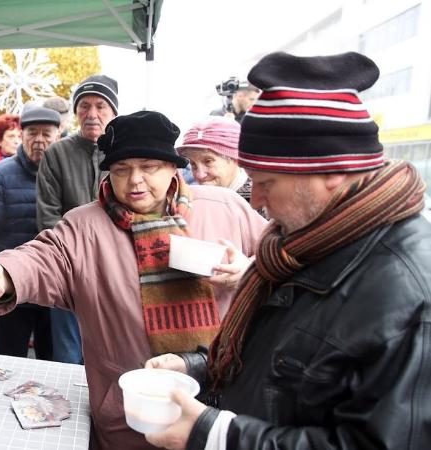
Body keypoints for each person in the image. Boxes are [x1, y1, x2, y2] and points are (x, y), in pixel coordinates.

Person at [144, 52, 431, 450]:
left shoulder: (408, 290)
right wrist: (198, 366)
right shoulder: (304, 242)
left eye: (267, 181)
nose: (256, 199)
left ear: (332, 172)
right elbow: (276, 362)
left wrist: (218, 435)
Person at [0, 110, 267, 449]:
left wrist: (250, 271)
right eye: (122, 170)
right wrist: (3, 275)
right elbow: (41, 259)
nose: (135, 180)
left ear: (172, 167)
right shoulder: (85, 226)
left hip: (220, 407)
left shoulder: (224, 208)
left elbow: (284, 259)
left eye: (148, 167)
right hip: (127, 416)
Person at [36, 74, 118, 364]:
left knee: (111, 352)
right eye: (84, 106)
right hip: (67, 270)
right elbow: (48, 214)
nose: (91, 114)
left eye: (100, 106)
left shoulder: (123, 153)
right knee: (67, 353)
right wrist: (75, 262)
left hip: (114, 271)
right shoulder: (57, 153)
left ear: (114, 111)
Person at [0, 106, 61, 359]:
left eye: (47, 133)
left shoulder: (63, 174)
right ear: (21, 135)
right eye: (32, 132)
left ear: (58, 135)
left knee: (52, 359)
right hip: (13, 287)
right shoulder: (0, 175)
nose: (39, 140)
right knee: (10, 358)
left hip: (52, 289)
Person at [176, 116, 255, 203]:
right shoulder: (190, 202)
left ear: (236, 159)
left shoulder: (263, 204)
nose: (199, 175)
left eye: (208, 161)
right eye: (193, 164)